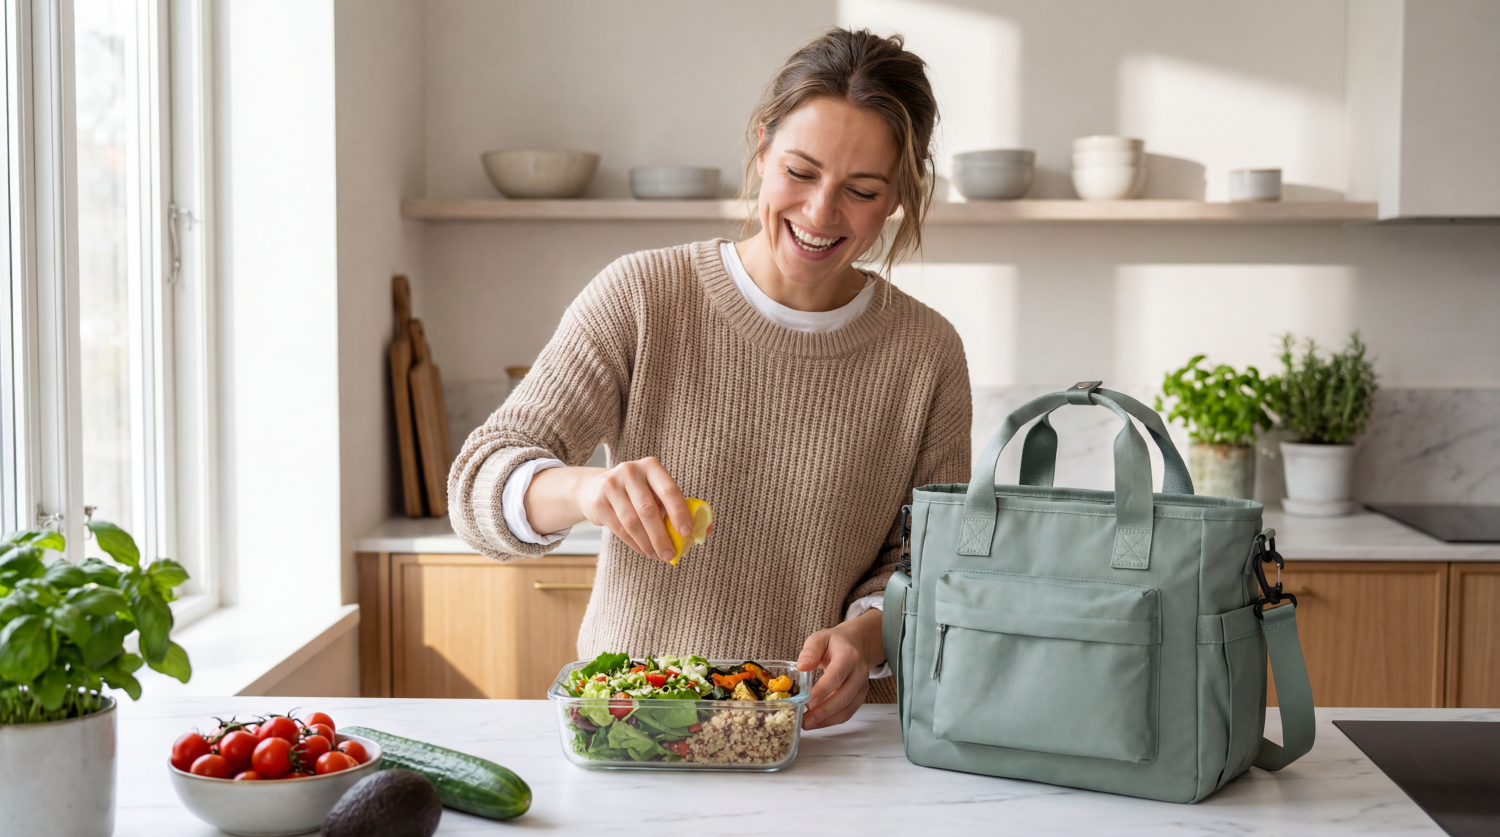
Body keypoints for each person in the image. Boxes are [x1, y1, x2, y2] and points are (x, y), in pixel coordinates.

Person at [449, 27, 970, 730]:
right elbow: (478, 485)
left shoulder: (926, 352)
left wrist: (869, 634)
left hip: (825, 740)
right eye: (801, 171)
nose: (820, 214)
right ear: (761, 149)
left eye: (862, 190)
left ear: (897, 197)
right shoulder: (643, 296)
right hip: (637, 729)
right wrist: (585, 490)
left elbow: (929, 562)